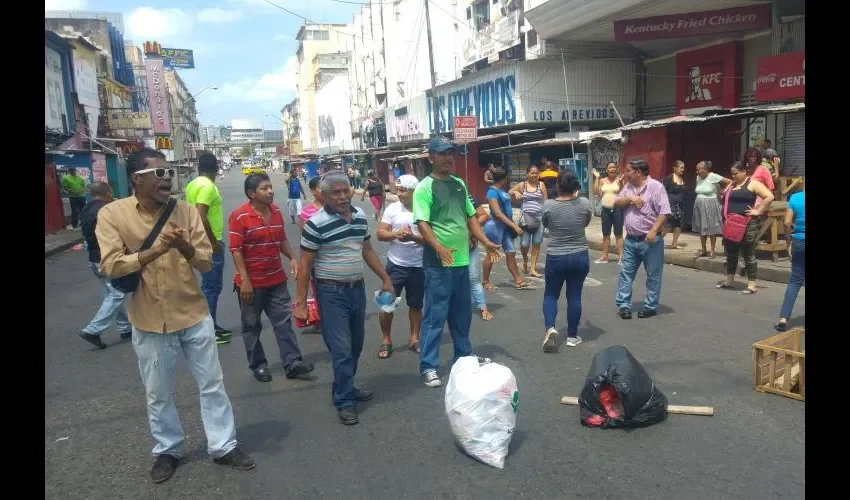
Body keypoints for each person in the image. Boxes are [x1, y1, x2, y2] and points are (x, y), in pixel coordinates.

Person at [96, 148, 254, 484]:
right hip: (149, 319)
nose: (167, 178)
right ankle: (167, 449)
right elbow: (109, 265)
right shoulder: (113, 215)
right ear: (137, 179)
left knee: (212, 385)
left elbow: (206, 262)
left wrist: (183, 247)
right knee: (158, 392)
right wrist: (156, 250)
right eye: (159, 173)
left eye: (168, 173)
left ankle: (223, 445)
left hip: (193, 313)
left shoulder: (183, 211)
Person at [295, 171, 395, 426]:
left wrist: (385, 278)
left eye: (345, 191)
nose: (342, 196)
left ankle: (345, 386)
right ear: (325, 195)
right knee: (340, 349)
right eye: (336, 193)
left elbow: (367, 250)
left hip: (356, 289)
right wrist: (301, 304)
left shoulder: (360, 217)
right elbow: (305, 266)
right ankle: (344, 400)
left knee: (356, 345)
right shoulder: (316, 223)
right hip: (330, 292)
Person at [412, 136, 502, 388]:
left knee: (462, 315)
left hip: (462, 261)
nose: (448, 158)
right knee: (435, 316)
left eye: (450, 153)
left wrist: (485, 241)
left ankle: (463, 356)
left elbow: (472, 218)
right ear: (431, 158)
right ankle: (428, 366)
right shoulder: (424, 188)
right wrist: (438, 247)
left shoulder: (459, 184)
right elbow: (422, 223)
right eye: (442, 153)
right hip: (438, 263)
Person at [229, 173, 315, 383]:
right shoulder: (239, 216)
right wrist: (245, 280)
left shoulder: (276, 211)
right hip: (251, 284)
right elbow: (236, 249)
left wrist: (292, 258)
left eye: (270, 187)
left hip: (276, 280)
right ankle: (258, 365)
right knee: (251, 326)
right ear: (252, 194)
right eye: (264, 188)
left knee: (284, 322)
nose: (270, 191)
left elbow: (281, 239)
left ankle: (292, 362)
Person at [613, 158, 672, 319]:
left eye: (628, 171)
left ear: (638, 172)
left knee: (653, 274)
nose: (625, 174)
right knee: (626, 273)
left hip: (650, 241)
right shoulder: (628, 187)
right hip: (631, 240)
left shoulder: (656, 187)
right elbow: (616, 202)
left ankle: (651, 305)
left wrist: (654, 230)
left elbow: (664, 212)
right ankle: (624, 305)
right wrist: (631, 199)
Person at [541, 171, 592, 351]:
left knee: (551, 294)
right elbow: (585, 222)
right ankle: (572, 336)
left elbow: (546, 224)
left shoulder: (548, 205)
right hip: (579, 254)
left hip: (556, 255)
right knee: (575, 295)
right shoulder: (584, 203)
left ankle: (550, 328)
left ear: (557, 186)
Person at [376, 175, 425, 359]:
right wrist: (396, 234)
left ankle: (414, 338)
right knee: (386, 303)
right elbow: (380, 233)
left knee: (416, 304)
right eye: (398, 189)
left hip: (419, 266)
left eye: (404, 190)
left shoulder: (424, 209)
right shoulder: (392, 209)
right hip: (396, 265)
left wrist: (412, 237)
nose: (399, 193)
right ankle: (386, 339)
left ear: (415, 191)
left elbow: (431, 239)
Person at [185, 153, 232, 344]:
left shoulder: (192, 184)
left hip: (197, 240)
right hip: (208, 243)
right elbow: (200, 214)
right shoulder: (207, 186)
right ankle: (209, 330)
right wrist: (213, 242)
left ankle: (210, 323)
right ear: (216, 168)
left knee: (207, 287)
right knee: (213, 288)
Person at [78, 181, 131, 349]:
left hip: (93, 259)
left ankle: (125, 328)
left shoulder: (86, 209)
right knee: (117, 293)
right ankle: (92, 330)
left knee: (112, 292)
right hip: (105, 257)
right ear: (108, 193)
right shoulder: (105, 210)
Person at [716, 162, 775, 295]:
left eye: (736, 173)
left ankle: (752, 284)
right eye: (732, 173)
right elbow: (723, 200)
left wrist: (758, 211)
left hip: (747, 223)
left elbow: (769, 196)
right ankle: (730, 279)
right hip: (730, 223)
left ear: (744, 172)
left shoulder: (752, 183)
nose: (733, 176)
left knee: (748, 253)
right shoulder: (731, 185)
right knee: (731, 253)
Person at [482, 167, 534, 291]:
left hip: (505, 228)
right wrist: (514, 226)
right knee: (491, 254)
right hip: (495, 227)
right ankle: (485, 281)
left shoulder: (501, 190)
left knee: (511, 253)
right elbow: (498, 214)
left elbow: (509, 196)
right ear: (504, 179)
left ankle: (518, 280)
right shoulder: (492, 192)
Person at [510, 165, 548, 277]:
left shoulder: (541, 185)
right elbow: (509, 190)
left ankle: (532, 269)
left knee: (536, 243)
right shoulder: (522, 185)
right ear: (527, 174)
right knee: (524, 244)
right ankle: (525, 259)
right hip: (525, 220)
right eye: (532, 173)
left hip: (539, 219)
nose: (535, 175)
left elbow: (545, 201)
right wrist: (515, 192)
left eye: (537, 173)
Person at [775, 188, 804, 331]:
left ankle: (783, 318)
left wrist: (788, 242)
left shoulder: (795, 198)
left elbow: (787, 223)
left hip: (799, 242)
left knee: (795, 281)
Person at [692, 161, 731, 258]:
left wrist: (723, 191)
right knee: (702, 227)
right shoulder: (698, 178)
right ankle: (704, 250)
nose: (697, 172)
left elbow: (729, 182)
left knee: (712, 227)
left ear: (706, 169)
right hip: (699, 204)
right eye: (696, 170)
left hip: (711, 204)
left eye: (699, 170)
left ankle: (712, 250)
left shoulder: (713, 176)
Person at [592, 162, 624, 264]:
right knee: (606, 234)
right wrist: (597, 178)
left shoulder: (619, 180)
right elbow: (595, 191)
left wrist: (621, 182)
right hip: (605, 210)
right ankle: (604, 256)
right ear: (607, 170)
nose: (612, 169)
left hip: (617, 210)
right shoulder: (602, 180)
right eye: (610, 167)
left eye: (614, 167)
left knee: (618, 234)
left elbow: (623, 192)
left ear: (616, 169)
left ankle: (621, 257)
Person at [468, 194, 493, 321]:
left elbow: (484, 215)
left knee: (473, 278)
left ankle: (483, 308)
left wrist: (471, 226)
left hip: (469, 245)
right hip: (447, 248)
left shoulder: (469, 198)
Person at [662, 160, 687, 250]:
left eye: (683, 168)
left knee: (678, 224)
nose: (682, 170)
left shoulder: (681, 179)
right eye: (681, 168)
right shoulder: (668, 178)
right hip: (670, 204)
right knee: (668, 225)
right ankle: (656, 241)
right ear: (675, 168)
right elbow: (662, 191)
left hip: (680, 205)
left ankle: (674, 243)